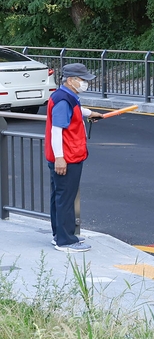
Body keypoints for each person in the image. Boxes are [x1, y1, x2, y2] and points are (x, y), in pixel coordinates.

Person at [44, 62, 101, 252]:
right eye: (82, 80)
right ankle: (66, 241)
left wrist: (90, 113)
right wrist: (60, 158)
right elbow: (56, 130)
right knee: (65, 198)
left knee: (60, 197)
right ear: (70, 80)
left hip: (66, 155)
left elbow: (76, 110)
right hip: (67, 157)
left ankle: (60, 234)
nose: (85, 83)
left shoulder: (67, 96)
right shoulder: (63, 100)